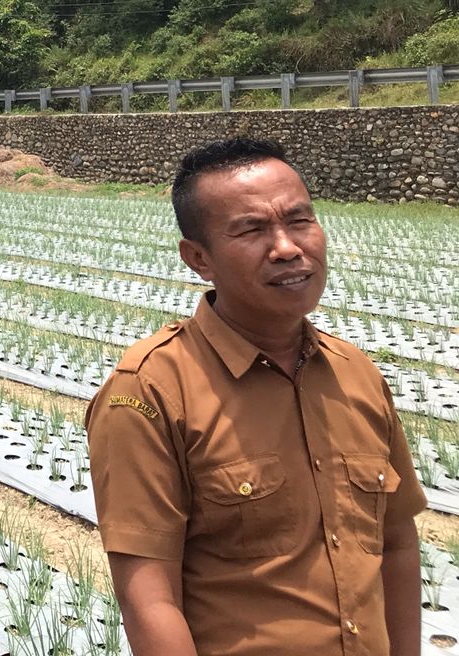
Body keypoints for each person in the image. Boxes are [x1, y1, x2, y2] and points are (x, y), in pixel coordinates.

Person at [86, 137, 426, 656]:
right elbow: (149, 600)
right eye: (251, 229)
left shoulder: (355, 373)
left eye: (299, 220)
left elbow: (397, 542)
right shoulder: (150, 392)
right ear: (198, 258)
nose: (287, 247)